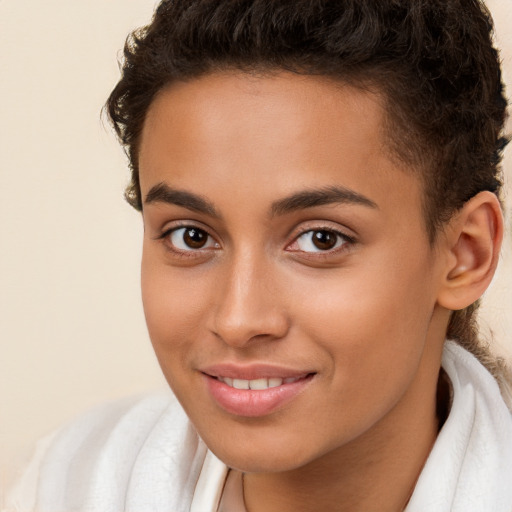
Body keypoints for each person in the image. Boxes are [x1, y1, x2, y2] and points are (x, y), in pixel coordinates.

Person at [6, 0, 512, 511]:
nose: (238, 319)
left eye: (321, 239)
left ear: (464, 254)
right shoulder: (70, 484)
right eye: (191, 236)